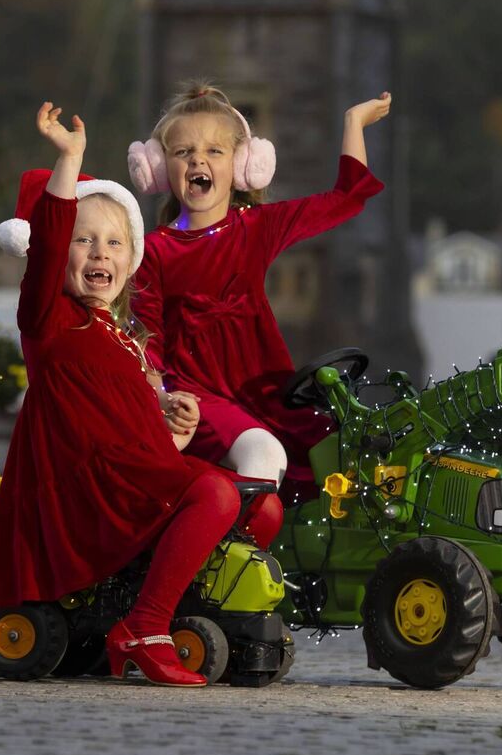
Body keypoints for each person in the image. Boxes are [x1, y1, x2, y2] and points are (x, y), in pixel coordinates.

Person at [0, 103, 271, 688]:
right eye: (85, 242)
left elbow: (124, 417)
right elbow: (50, 242)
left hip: (130, 470)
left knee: (253, 501)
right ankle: (147, 624)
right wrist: (71, 159)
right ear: (56, 255)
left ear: (130, 260)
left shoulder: (121, 336)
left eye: (114, 242)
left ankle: (193, 609)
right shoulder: (50, 320)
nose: (101, 253)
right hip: (89, 483)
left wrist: (171, 423)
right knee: (211, 490)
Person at [127, 82, 391, 505]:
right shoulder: (152, 250)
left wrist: (353, 122)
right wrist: (163, 399)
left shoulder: (256, 227)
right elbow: (147, 339)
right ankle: (225, 562)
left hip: (263, 391)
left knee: (345, 450)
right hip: (194, 394)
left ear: (243, 165)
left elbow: (346, 199)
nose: (198, 159)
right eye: (182, 152)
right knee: (264, 454)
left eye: (215, 150)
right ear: (158, 168)